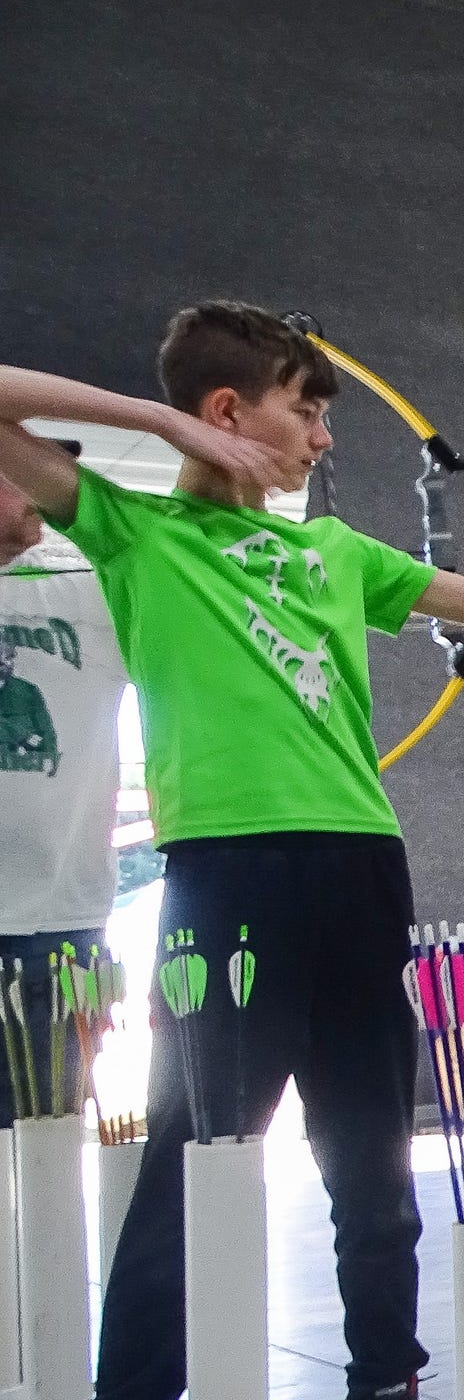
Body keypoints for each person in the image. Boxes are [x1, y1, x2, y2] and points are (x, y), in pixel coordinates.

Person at [0, 305, 464, 1400]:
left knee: (373, 1164)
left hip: (361, 871)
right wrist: (163, 424)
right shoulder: (135, 533)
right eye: (303, 410)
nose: (323, 437)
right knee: (190, 1158)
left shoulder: (336, 551)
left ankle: (387, 1379)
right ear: (227, 410)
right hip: (232, 879)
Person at [0, 435, 125, 1127]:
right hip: (58, 926)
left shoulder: (90, 586)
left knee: (47, 1151)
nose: (46, 503)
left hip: (61, 928)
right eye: (25, 476)